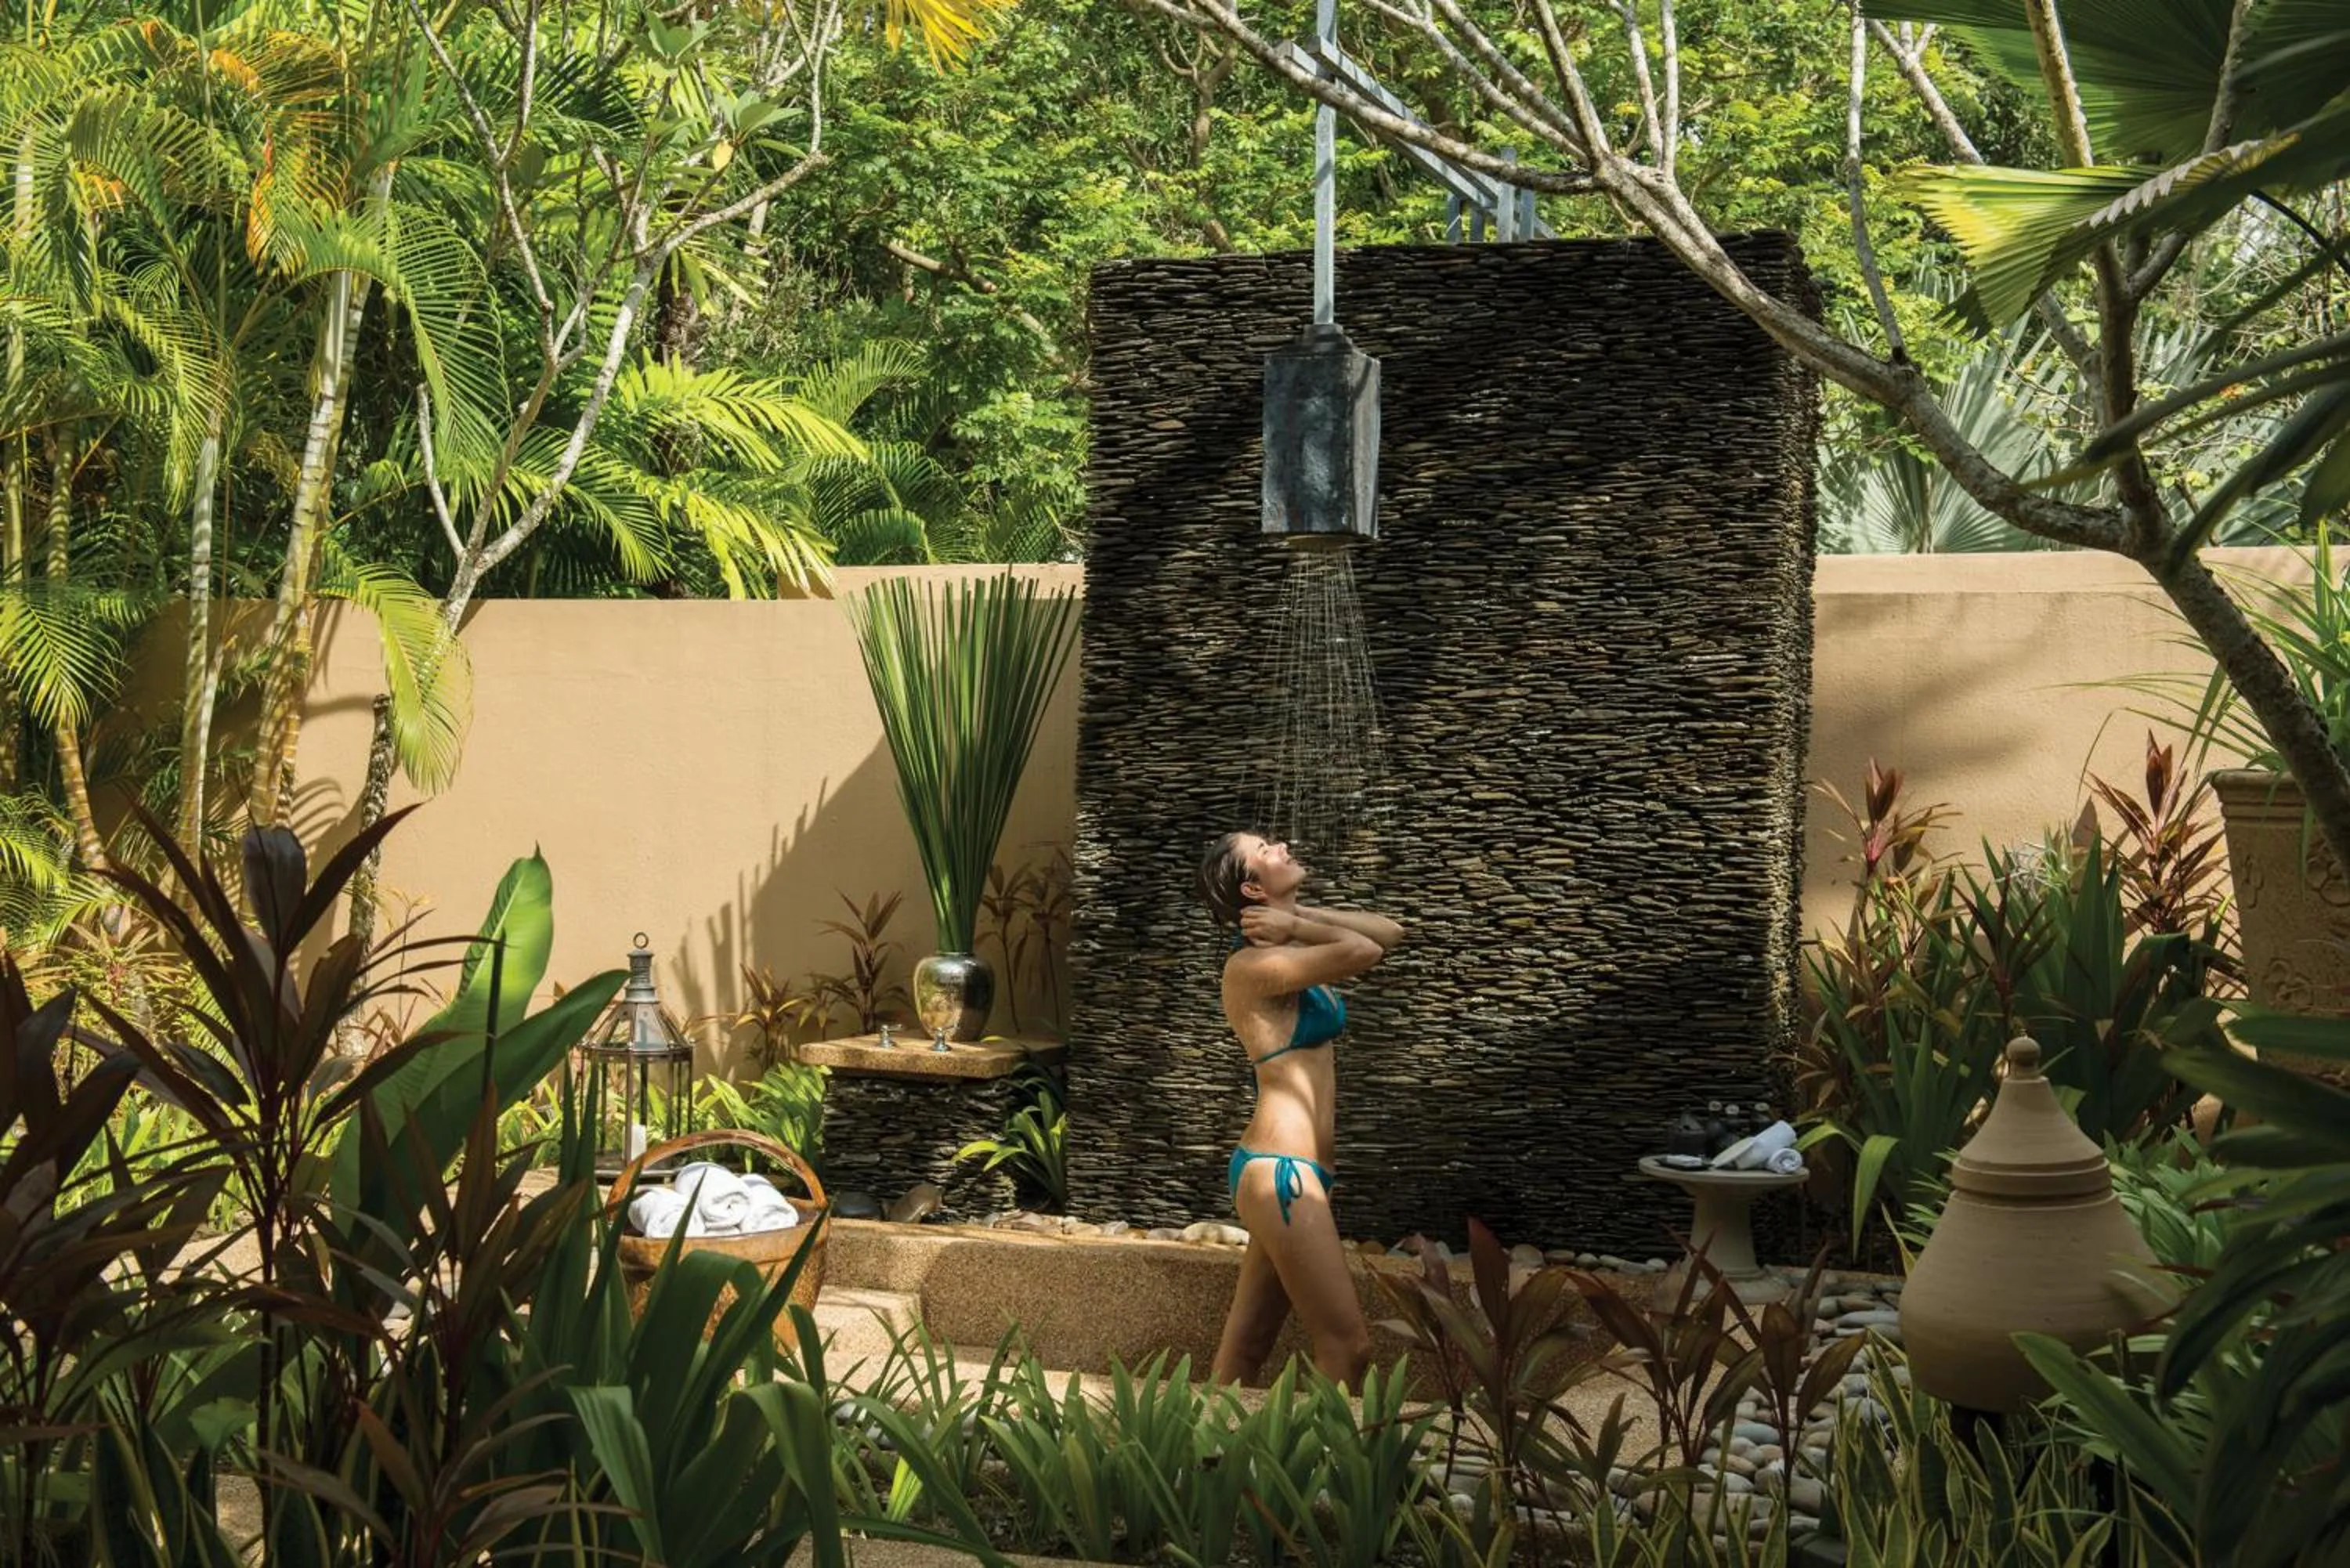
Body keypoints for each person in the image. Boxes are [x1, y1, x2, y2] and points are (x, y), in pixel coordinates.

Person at [1195, 830, 1402, 1389]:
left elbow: (1391, 932)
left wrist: (1294, 916)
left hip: (1299, 1173)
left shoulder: (1288, 947)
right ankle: (1331, 1478)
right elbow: (1364, 952)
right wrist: (1296, 926)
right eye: (1265, 850)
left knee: (1246, 1350)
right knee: (1348, 1348)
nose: (1282, 845)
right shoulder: (1250, 969)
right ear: (1252, 887)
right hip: (1281, 1174)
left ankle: (1210, 1471)